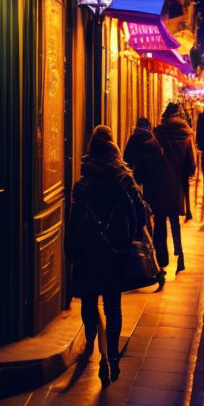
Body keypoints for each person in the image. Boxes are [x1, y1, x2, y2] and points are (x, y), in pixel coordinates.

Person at [67, 126, 148, 386]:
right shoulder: (124, 179)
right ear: (113, 148)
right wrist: (130, 234)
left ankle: (91, 342)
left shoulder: (83, 183)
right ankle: (112, 356)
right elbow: (140, 215)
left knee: (89, 301)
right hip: (116, 249)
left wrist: (71, 249)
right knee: (113, 306)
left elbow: (74, 220)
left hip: (89, 250)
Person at [122, 117, 166, 288]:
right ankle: (156, 265)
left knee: (137, 228)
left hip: (134, 192)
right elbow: (158, 171)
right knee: (152, 230)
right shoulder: (155, 145)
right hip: (153, 192)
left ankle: (136, 264)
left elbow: (126, 163)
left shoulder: (133, 142)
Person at [153, 102, 196, 274]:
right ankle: (179, 255)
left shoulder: (158, 134)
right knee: (174, 222)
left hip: (160, 184)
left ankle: (161, 261)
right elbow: (191, 167)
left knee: (160, 223)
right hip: (177, 185)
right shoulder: (186, 136)